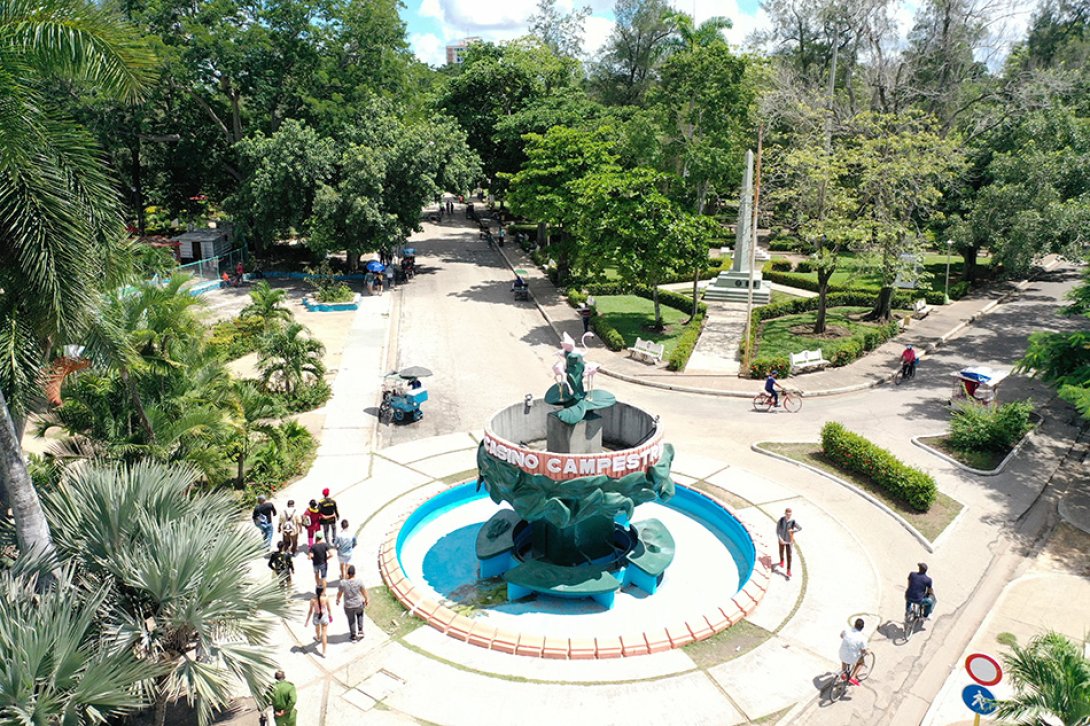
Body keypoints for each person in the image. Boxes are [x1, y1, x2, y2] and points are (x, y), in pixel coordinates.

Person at [336, 564, 369, 641]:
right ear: (355, 573)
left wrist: (338, 600)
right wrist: (366, 599)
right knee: (360, 615)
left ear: (347, 573)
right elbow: (364, 591)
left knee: (351, 620)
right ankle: (360, 631)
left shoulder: (342, 583)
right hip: (358, 604)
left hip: (348, 605)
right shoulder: (359, 581)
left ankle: (353, 636)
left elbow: (339, 593)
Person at [839, 618, 869, 686]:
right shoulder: (863, 638)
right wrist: (868, 651)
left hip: (841, 653)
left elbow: (841, 636)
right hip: (852, 658)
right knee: (861, 663)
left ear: (854, 624)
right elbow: (863, 651)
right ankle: (853, 677)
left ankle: (844, 674)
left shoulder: (846, 630)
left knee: (844, 660)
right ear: (862, 627)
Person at [304, 585, 333, 657]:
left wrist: (307, 621)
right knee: (324, 634)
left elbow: (310, 611)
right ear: (322, 591)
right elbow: (329, 608)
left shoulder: (312, 600)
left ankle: (318, 637)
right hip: (324, 616)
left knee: (317, 628)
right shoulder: (326, 598)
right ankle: (324, 652)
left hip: (316, 616)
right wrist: (330, 616)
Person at [775, 508, 802, 580]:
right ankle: (782, 561)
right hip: (781, 540)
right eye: (787, 514)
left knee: (789, 556)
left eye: (790, 514)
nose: (788, 515)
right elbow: (777, 530)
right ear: (785, 513)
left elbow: (800, 528)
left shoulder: (793, 521)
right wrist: (780, 538)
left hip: (789, 541)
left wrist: (793, 530)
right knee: (781, 551)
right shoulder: (781, 520)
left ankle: (788, 570)